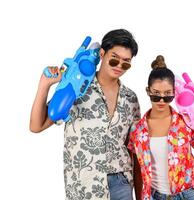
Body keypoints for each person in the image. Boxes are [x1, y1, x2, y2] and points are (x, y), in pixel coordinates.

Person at [30, 29, 141, 200]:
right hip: (83, 185)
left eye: (126, 63)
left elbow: (133, 148)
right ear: (102, 54)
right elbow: (36, 126)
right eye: (114, 59)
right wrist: (44, 85)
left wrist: (140, 194)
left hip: (121, 183)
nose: (119, 66)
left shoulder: (130, 98)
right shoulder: (77, 86)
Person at [128, 55, 194, 200]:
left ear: (174, 93)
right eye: (156, 95)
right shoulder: (137, 130)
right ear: (148, 91)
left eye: (167, 95)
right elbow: (138, 169)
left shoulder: (186, 123)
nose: (161, 100)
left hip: (189, 195)